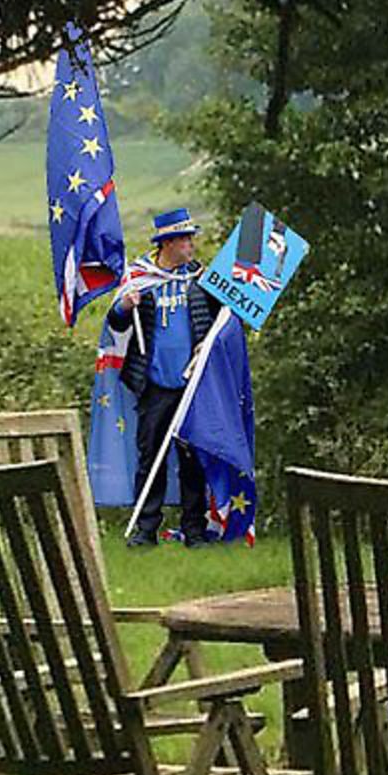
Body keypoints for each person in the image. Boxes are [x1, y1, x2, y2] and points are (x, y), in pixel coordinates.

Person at [111, 207, 223, 547]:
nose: (191, 244)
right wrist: (125, 307)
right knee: (151, 459)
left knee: (193, 460)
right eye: (186, 239)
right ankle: (146, 530)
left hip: (193, 384)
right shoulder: (140, 280)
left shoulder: (200, 280)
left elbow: (224, 320)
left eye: (191, 239)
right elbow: (116, 323)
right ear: (168, 243)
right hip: (154, 384)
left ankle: (194, 529)